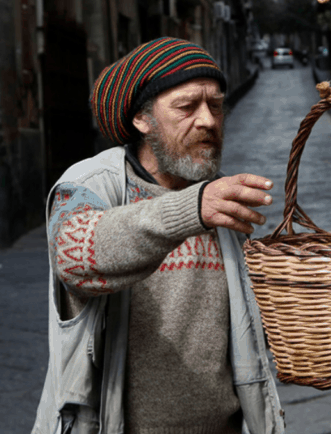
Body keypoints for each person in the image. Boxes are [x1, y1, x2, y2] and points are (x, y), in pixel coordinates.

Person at [31, 37, 286, 434]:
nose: (208, 120)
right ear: (142, 119)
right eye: (187, 107)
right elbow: (74, 256)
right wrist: (190, 210)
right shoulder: (90, 184)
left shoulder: (219, 198)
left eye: (216, 105)